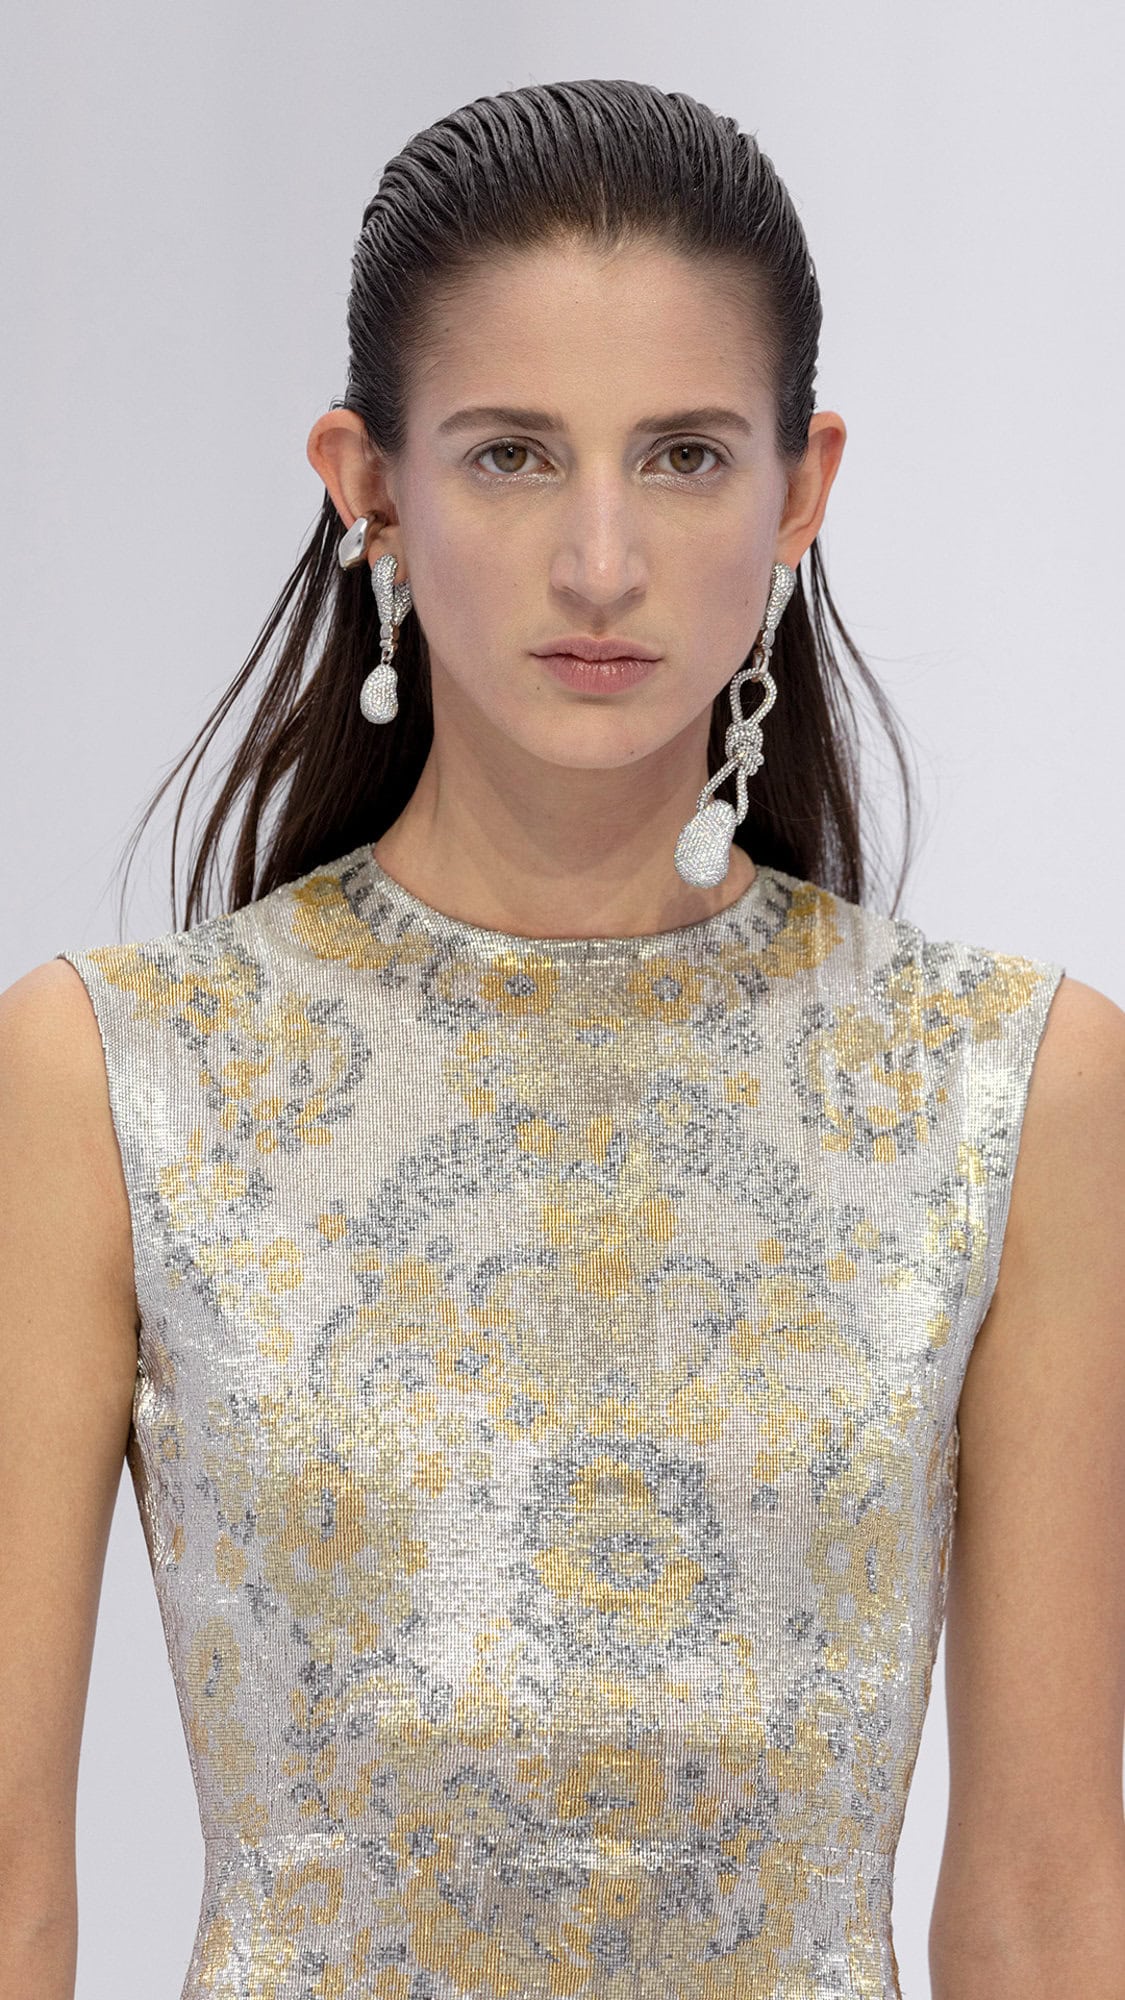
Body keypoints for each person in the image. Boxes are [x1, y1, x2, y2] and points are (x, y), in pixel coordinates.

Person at [1, 77, 1122, 2000]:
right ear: (367, 482)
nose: (600, 561)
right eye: (512, 455)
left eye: (682, 456)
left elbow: (1041, 1904)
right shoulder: (112, 1079)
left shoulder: (1004, 1090)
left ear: (800, 489)